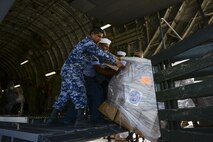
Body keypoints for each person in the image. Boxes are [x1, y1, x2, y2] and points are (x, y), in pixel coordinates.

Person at [47, 26, 123, 127]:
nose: (100, 39)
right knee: (80, 93)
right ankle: (80, 120)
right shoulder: (89, 43)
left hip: (68, 70)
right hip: (73, 71)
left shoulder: (87, 44)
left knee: (64, 95)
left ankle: (52, 118)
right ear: (92, 34)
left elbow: (101, 54)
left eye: (101, 37)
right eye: (98, 36)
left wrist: (115, 58)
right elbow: (100, 53)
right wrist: (115, 61)